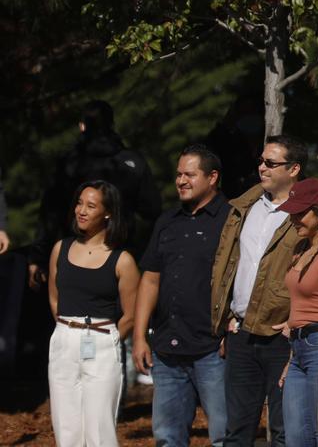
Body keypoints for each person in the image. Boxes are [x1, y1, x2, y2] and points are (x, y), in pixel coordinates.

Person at [133, 145, 238, 446]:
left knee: (225, 437)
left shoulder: (232, 221)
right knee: (167, 438)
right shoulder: (167, 221)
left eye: (190, 174)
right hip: (167, 349)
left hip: (213, 350)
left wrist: (232, 329)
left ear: (212, 177)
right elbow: (150, 279)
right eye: (178, 174)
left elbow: (243, 281)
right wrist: (140, 336)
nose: (181, 181)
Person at [210, 135, 306, 446]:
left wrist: (297, 321)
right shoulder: (244, 207)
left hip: (282, 335)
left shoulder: (307, 213)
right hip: (241, 333)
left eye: (270, 163)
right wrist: (228, 314)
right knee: (237, 431)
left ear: (293, 170)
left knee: (283, 430)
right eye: (261, 161)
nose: (261, 167)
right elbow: (227, 264)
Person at [47, 181, 141, 447]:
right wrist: (68, 331)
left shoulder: (122, 260)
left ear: (108, 213)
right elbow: (54, 298)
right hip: (64, 339)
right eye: (79, 203)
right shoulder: (60, 249)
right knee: (66, 427)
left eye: (91, 205)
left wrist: (108, 339)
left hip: (102, 341)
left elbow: (131, 315)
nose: (82, 211)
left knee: (100, 428)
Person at [35, 100, 161, 287]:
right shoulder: (132, 161)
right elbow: (152, 210)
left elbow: (50, 213)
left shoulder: (68, 164)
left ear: (82, 126)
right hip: (121, 256)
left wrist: (38, 257)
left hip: (74, 258)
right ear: (112, 125)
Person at [277, 177, 318, 447]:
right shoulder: (299, 249)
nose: (294, 219)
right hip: (298, 346)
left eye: (301, 213)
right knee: (295, 437)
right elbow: (297, 309)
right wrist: (292, 356)